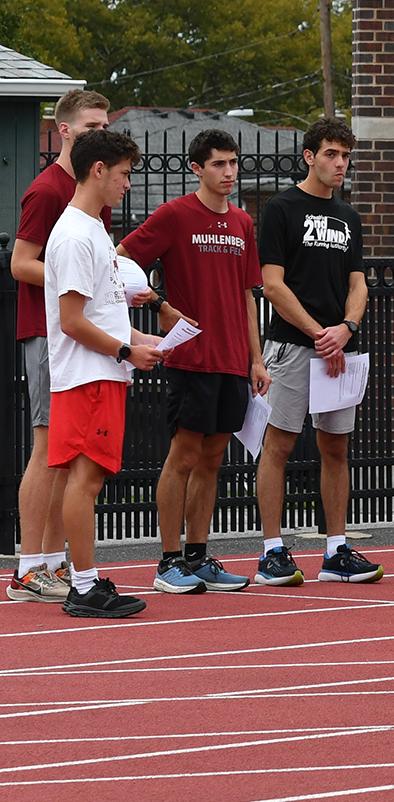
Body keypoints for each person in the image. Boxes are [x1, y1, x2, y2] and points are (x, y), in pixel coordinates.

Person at [116, 129, 270, 595]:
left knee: (213, 458)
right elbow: (120, 258)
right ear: (197, 168)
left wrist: (256, 358)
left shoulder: (244, 222)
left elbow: (246, 294)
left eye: (233, 163)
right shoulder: (175, 214)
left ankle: (199, 556)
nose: (228, 171)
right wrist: (158, 302)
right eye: (219, 164)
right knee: (183, 455)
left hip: (232, 360)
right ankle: (168, 561)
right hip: (189, 356)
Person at [253, 116, 382, 586]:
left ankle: (336, 551)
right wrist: (318, 334)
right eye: (331, 154)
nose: (340, 163)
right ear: (309, 156)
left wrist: (346, 328)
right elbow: (272, 284)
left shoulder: (348, 217)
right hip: (291, 348)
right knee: (279, 444)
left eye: (345, 155)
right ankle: (272, 552)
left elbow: (358, 283)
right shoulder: (281, 209)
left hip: (339, 352)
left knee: (336, 448)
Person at [46, 130, 165, 618]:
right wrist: (124, 349)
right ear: (98, 170)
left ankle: (85, 580)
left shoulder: (94, 229)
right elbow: (71, 321)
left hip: (102, 370)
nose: (128, 184)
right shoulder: (76, 233)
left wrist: (141, 341)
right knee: (86, 479)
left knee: (88, 478)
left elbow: (101, 311)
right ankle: (83, 585)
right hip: (87, 375)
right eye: (123, 174)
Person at [7, 90, 116, 604]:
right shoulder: (50, 190)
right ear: (64, 130)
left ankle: (49, 563)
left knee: (65, 453)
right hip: (51, 333)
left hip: (75, 334)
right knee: (47, 447)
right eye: (92, 123)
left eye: (106, 122)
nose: (102, 130)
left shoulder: (91, 189)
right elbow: (20, 262)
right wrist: (71, 278)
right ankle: (30, 567)